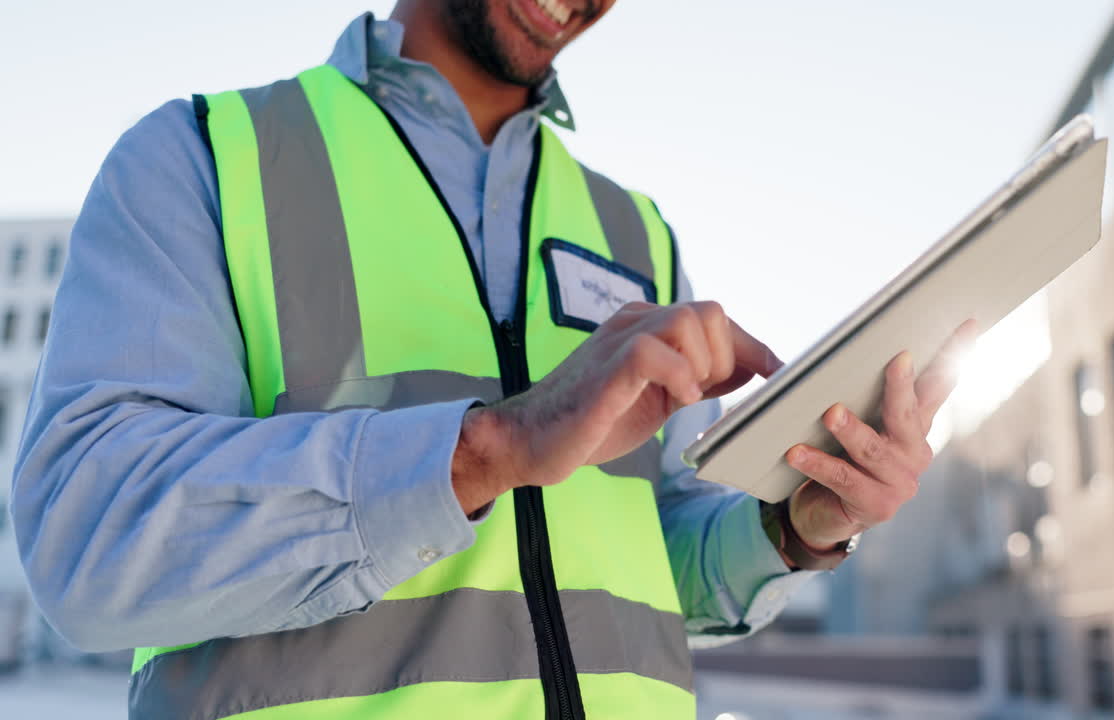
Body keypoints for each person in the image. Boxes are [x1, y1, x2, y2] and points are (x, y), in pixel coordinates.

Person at [11, 2, 974, 719]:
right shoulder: (204, 159)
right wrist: (489, 451)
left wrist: (798, 524)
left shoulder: (636, 230)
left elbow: (656, 566)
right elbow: (85, 540)